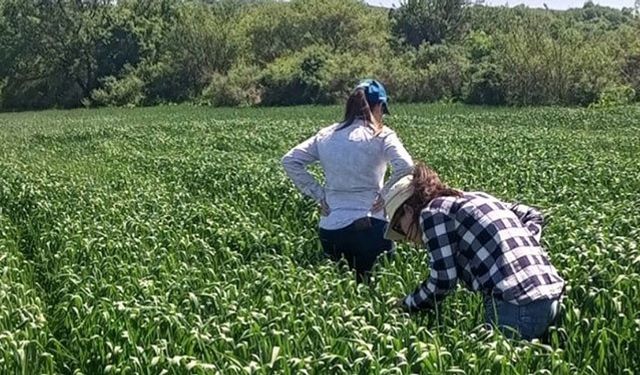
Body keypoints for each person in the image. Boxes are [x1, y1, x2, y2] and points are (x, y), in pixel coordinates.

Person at [384, 163, 565, 340]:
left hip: (516, 306)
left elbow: (443, 281)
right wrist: (520, 243)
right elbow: (531, 214)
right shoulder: (474, 197)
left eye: (400, 228)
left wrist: (406, 305)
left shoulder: (431, 213)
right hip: (553, 297)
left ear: (408, 210)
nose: (405, 238)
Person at [282, 79, 413, 282]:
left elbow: (290, 160)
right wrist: (385, 194)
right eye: (382, 110)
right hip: (371, 227)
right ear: (378, 106)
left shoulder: (326, 135)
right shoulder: (381, 135)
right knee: (377, 296)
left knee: (340, 292)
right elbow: (406, 166)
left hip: (331, 229)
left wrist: (320, 195)